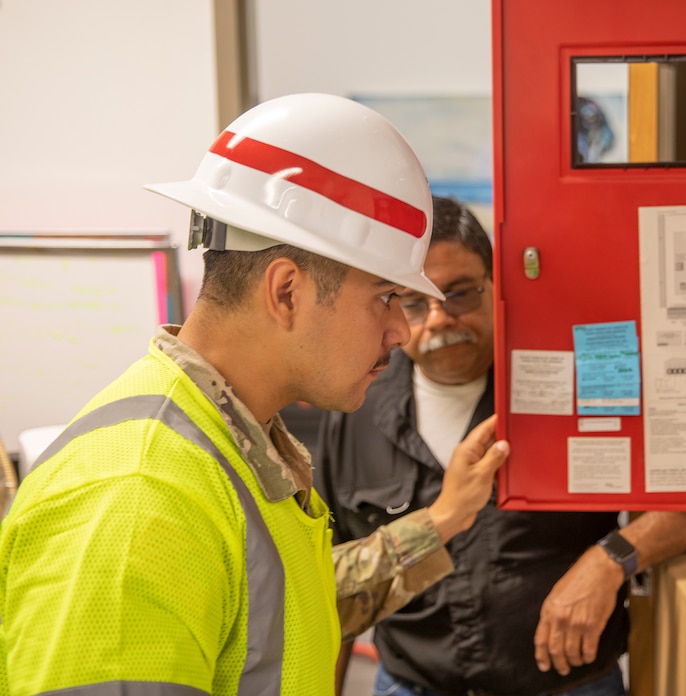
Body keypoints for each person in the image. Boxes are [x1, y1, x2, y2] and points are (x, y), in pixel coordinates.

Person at [0, 94, 509, 695]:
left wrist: (443, 521)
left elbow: (291, 608)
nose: (403, 331)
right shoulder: (139, 498)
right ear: (287, 291)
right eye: (386, 297)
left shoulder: (235, 442)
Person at [315, 196, 686, 696]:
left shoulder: (579, 379)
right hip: (412, 682)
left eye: (460, 294)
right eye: (415, 301)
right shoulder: (355, 409)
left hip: (566, 683)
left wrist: (611, 557)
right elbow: (331, 582)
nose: (440, 319)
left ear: (495, 286)